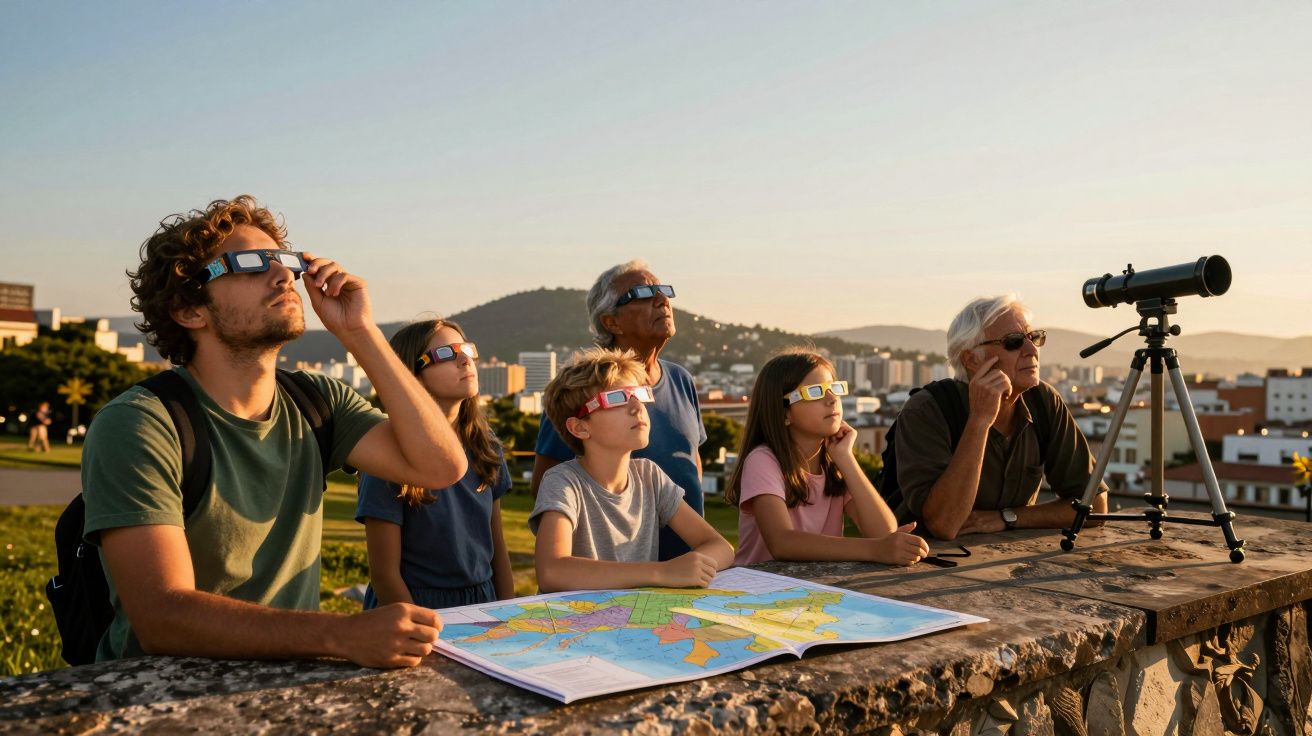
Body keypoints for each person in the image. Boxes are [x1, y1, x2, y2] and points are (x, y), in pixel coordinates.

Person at [81, 195, 467, 667]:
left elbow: (441, 466)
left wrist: (360, 331)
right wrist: (342, 635)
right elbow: (162, 615)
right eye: (250, 264)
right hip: (164, 690)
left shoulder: (317, 401)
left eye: (285, 261)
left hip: (287, 681)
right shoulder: (141, 423)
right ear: (189, 310)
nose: (284, 275)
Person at [893, 295, 1108, 540]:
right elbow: (944, 525)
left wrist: (1007, 517)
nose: (1032, 350)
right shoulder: (927, 411)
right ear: (971, 359)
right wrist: (979, 421)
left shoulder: (1042, 401)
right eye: (1014, 342)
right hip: (927, 557)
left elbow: (1095, 506)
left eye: (1034, 337)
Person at [531, 260, 705, 560]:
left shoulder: (681, 379)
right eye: (643, 293)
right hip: (611, 574)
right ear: (611, 322)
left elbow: (692, 460)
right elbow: (546, 488)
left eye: (663, 291)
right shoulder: (581, 392)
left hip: (689, 568)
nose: (662, 300)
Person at [530, 348, 734, 593]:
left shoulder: (650, 476)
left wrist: (693, 565)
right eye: (617, 398)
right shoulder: (563, 483)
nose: (637, 407)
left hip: (633, 615)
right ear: (580, 428)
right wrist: (662, 572)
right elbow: (552, 572)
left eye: (639, 394)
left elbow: (721, 547)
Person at [356, 318, 514, 608]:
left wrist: (507, 612)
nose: (465, 360)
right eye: (445, 354)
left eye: (466, 349)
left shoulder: (486, 445)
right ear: (410, 376)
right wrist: (419, 629)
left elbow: (498, 552)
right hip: (412, 607)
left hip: (481, 604)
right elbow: (385, 575)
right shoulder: (387, 454)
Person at [727, 351, 928, 566]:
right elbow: (782, 543)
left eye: (834, 389)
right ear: (784, 413)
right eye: (815, 392)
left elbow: (884, 532)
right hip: (760, 584)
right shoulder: (763, 460)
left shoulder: (834, 462)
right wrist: (875, 550)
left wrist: (846, 459)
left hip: (816, 584)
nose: (832, 399)